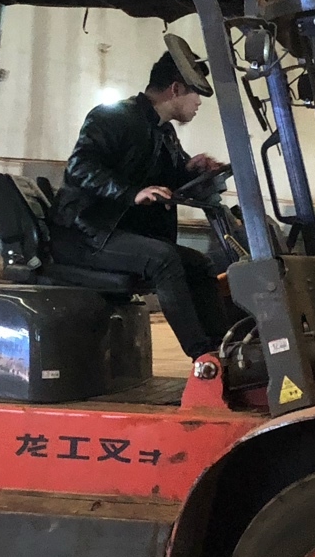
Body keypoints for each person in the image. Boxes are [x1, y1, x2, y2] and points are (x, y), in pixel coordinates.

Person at [49, 47, 240, 359]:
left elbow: (169, 179)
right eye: (196, 94)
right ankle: (202, 357)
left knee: (200, 265)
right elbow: (81, 167)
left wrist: (192, 169)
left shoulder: (163, 132)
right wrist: (131, 193)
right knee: (164, 259)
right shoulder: (112, 117)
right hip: (86, 232)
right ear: (175, 89)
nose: (199, 103)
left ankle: (224, 349)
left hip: (118, 234)